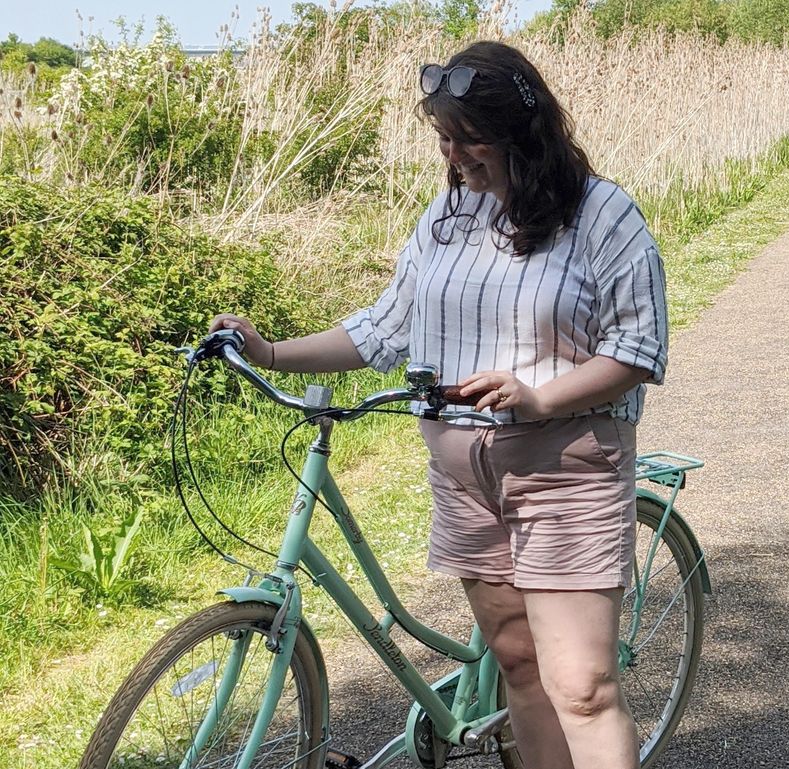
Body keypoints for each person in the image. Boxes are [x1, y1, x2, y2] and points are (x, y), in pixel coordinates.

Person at [209, 40, 667, 769]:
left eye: (469, 140)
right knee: (519, 665)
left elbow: (638, 349)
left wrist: (539, 394)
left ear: (525, 134)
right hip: (464, 480)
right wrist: (270, 351)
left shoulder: (601, 215)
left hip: (565, 473)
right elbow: (384, 327)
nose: (453, 157)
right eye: (443, 139)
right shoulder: (449, 215)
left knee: (580, 684)